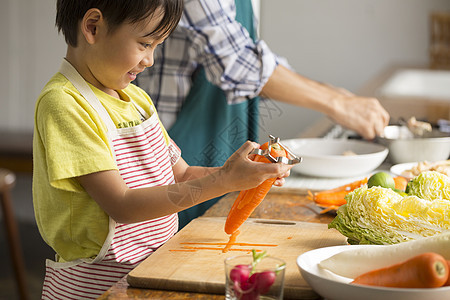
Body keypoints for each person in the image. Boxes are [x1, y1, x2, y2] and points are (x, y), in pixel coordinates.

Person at [32, 1, 292, 298]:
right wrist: (224, 181)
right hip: (97, 287)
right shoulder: (65, 104)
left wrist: (238, 175)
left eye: (157, 46)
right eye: (144, 43)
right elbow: (122, 204)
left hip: (153, 269)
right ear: (93, 27)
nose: (150, 60)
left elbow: (181, 174)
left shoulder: (138, 100)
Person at [135, 0, 390, 228]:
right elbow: (236, 62)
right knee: (173, 234)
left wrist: (334, 94)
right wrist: (337, 103)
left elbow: (247, 49)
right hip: (177, 140)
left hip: (219, 133)